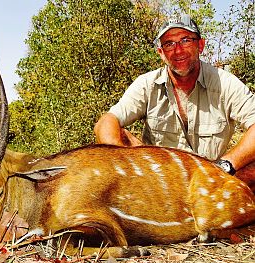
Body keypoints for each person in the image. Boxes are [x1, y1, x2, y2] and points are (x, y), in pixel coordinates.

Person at [94, 14, 255, 175]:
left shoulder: (225, 83)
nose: (178, 50)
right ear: (161, 53)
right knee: (120, 136)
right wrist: (123, 162)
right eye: (169, 44)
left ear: (200, 45)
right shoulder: (147, 84)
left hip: (210, 181)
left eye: (185, 40)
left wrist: (225, 166)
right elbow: (106, 121)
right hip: (159, 180)